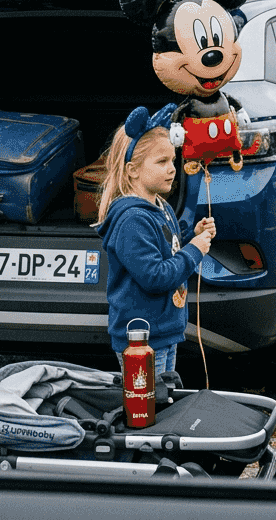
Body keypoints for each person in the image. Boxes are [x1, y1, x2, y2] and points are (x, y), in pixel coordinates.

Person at [96, 105, 216, 376]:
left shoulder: (160, 206)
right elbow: (154, 276)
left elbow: (165, 248)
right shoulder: (132, 220)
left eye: (173, 160)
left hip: (164, 331)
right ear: (132, 170)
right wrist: (195, 251)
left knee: (163, 404)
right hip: (141, 341)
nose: (172, 169)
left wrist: (192, 236)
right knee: (148, 411)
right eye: (161, 162)